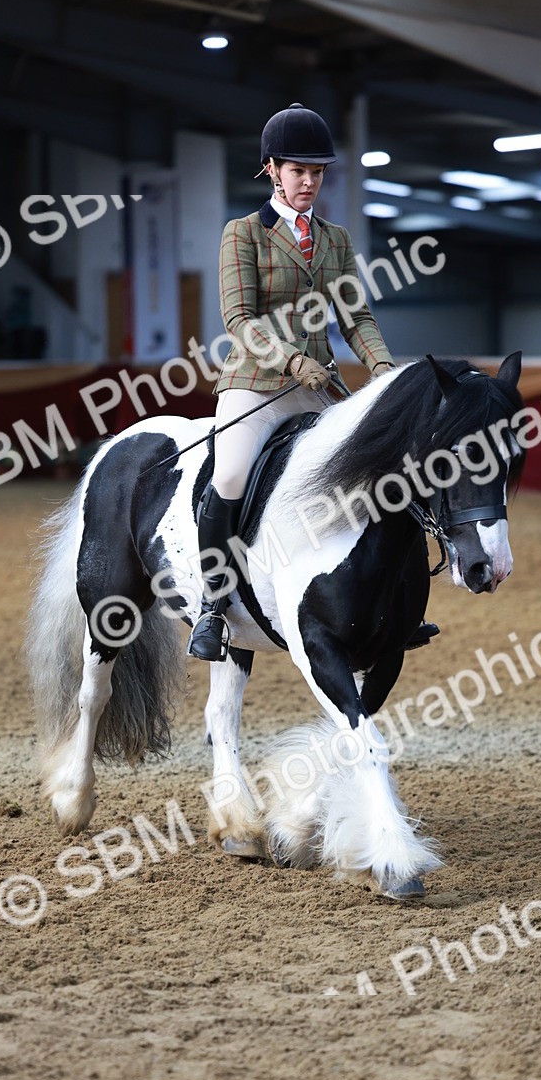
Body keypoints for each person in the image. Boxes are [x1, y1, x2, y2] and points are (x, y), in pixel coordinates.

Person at [187, 102, 437, 662]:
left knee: (381, 470)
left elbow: (357, 317)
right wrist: (291, 359)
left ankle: (394, 603)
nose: (309, 182)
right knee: (228, 475)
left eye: (317, 172)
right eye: (298, 171)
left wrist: (382, 370)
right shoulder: (243, 233)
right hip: (256, 383)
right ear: (272, 169)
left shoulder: (337, 239)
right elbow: (239, 320)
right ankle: (212, 604)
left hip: (319, 387)